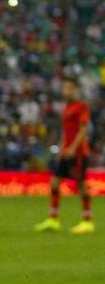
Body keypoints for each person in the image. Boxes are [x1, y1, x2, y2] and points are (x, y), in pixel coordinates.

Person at [35, 76, 94, 234]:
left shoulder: (81, 107)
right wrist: (62, 149)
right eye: (65, 88)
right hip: (66, 152)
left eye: (69, 88)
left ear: (75, 90)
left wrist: (73, 148)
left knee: (81, 185)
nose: (66, 91)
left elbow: (83, 130)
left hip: (79, 152)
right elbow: (65, 131)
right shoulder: (66, 107)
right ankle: (53, 219)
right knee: (54, 184)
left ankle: (87, 221)